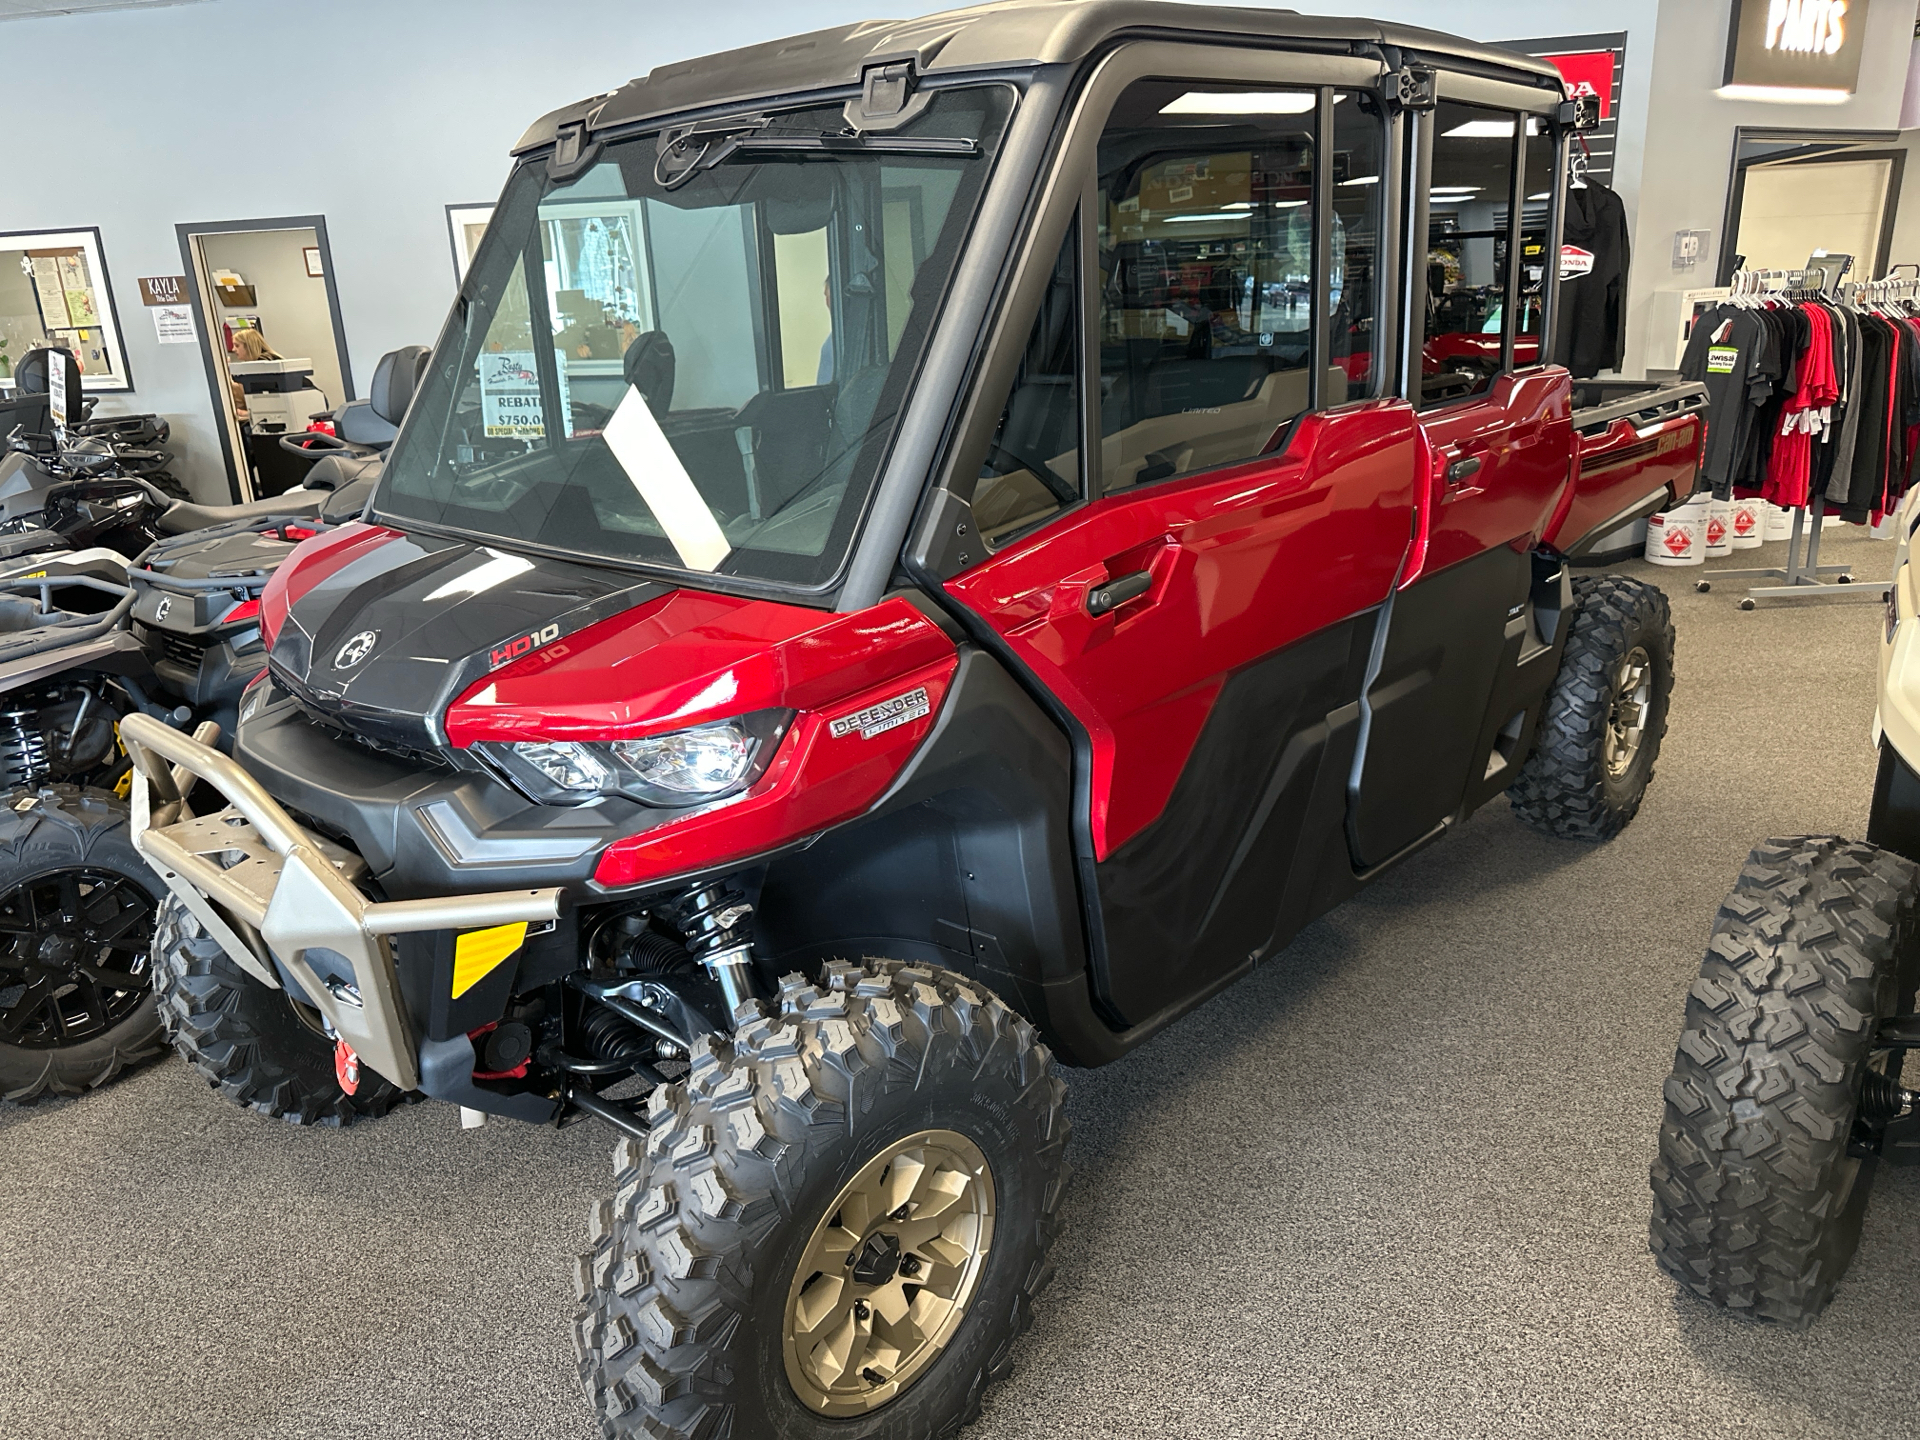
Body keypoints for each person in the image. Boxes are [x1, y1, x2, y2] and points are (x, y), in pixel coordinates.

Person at [228, 327, 278, 421]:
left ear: (248, 346)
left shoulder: (262, 366)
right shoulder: (270, 359)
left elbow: (267, 401)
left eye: (237, 346)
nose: (233, 349)